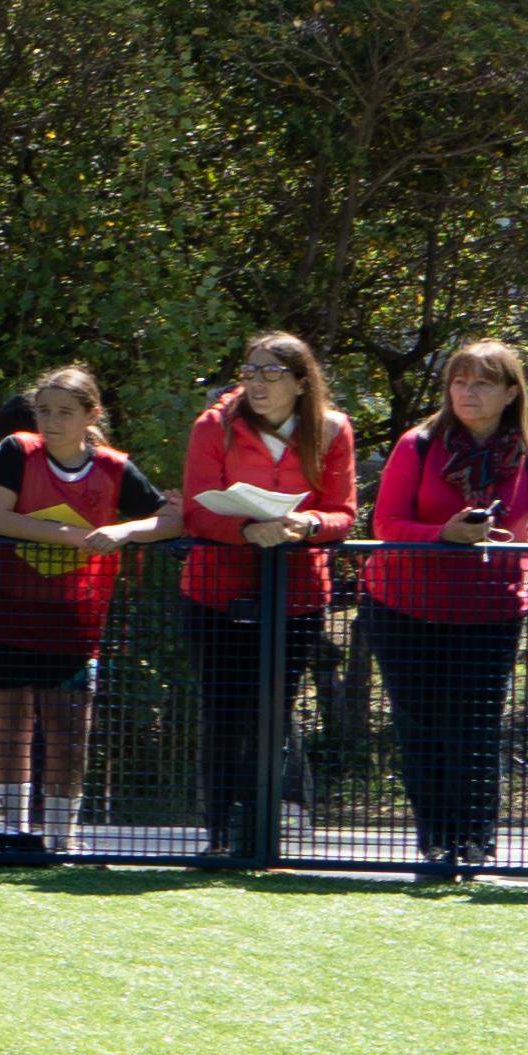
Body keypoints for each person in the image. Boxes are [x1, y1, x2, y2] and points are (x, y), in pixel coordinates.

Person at [361, 332, 528, 883]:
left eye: (483, 382)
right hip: (403, 606)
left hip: (488, 612)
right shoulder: (418, 444)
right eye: (459, 381)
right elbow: (386, 524)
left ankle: (478, 842)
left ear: (512, 392)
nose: (468, 392)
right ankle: (436, 841)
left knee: (475, 724)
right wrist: (444, 533)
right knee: (420, 724)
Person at [176, 331, 361, 856]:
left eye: (271, 373)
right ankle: (218, 838)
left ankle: (262, 836)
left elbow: (343, 514)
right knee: (222, 713)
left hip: (296, 596)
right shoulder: (215, 426)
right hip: (214, 591)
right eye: (250, 371)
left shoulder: (332, 429)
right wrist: (244, 530)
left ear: (301, 382)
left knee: (271, 714)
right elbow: (196, 509)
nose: (257, 383)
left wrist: (306, 523)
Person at [0, 367, 150, 857]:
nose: (51, 421)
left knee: (69, 732)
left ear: (92, 414)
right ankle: (12, 832)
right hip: (2, 612)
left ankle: (62, 836)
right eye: (43, 411)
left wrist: (125, 532)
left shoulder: (113, 467)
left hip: (73, 621)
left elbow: (169, 515)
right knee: (7, 727)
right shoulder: (16, 452)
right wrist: (77, 536)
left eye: (65, 412)